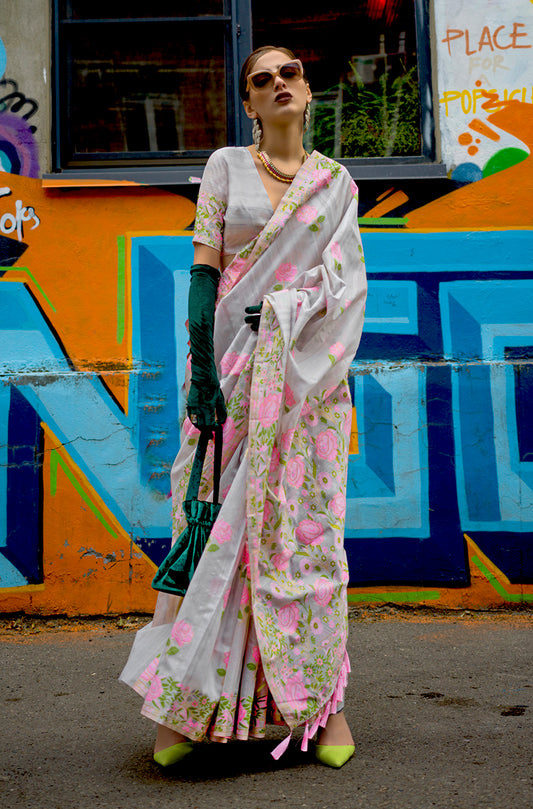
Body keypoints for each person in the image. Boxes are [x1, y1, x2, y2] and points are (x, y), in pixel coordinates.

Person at [120, 45, 367, 770]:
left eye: (288, 72)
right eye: (262, 80)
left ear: (307, 90)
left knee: (301, 539)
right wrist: (200, 375)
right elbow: (204, 273)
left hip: (304, 389)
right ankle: (184, 711)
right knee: (211, 534)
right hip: (228, 378)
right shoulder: (227, 167)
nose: (278, 84)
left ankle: (321, 708)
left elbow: (348, 287)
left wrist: (292, 310)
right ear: (250, 105)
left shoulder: (336, 183)